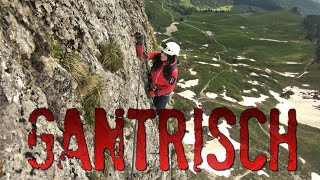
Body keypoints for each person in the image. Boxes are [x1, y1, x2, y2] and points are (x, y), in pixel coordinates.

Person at [134, 32, 180, 113]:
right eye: (162, 52)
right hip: (153, 86)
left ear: (171, 56)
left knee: (157, 111)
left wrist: (155, 93)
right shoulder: (158, 56)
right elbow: (142, 56)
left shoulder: (173, 71)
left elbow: (169, 88)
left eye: (165, 54)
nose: (161, 54)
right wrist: (139, 43)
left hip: (163, 94)